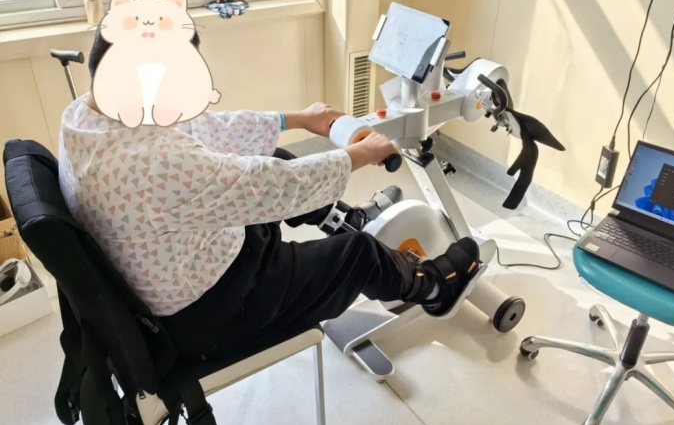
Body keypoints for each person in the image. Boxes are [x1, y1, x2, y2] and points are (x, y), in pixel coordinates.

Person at [57, 29, 482, 360]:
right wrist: (358, 155)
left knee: (269, 155)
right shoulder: (156, 163)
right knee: (359, 254)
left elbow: (198, 129)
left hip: (180, 262)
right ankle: (432, 288)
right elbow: (271, 187)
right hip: (215, 312)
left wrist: (296, 119)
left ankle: (345, 219)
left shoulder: (87, 113)